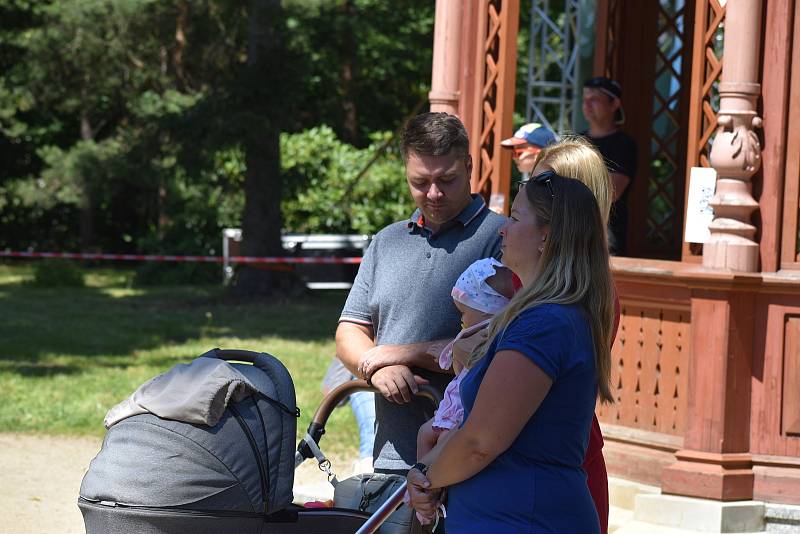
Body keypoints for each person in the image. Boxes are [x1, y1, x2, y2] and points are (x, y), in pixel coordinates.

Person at [407, 145, 616, 532]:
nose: (503, 228)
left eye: (516, 218)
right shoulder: (542, 316)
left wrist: (426, 477)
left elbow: (479, 442)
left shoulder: (544, 323)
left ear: (545, 237)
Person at [335, 112, 506, 475]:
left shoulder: (504, 239)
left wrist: (401, 353)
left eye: (447, 179)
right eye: (420, 182)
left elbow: (497, 344)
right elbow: (350, 331)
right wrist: (375, 369)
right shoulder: (386, 242)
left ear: (470, 166)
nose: (433, 193)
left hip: (471, 461)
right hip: (392, 455)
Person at [416, 257, 515, 460]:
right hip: (459, 409)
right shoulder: (497, 331)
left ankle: (429, 482)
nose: (461, 320)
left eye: (464, 312)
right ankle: (424, 475)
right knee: (430, 436)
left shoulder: (481, 334)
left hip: (462, 411)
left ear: (486, 311)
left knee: (436, 440)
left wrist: (452, 352)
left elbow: (459, 368)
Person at [582, 76, 638, 256]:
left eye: (595, 99)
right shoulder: (576, 141)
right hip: (573, 234)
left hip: (607, 240)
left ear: (614, 104)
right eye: (585, 99)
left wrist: (574, 181)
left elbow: (611, 191)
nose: (587, 105)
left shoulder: (624, 144)